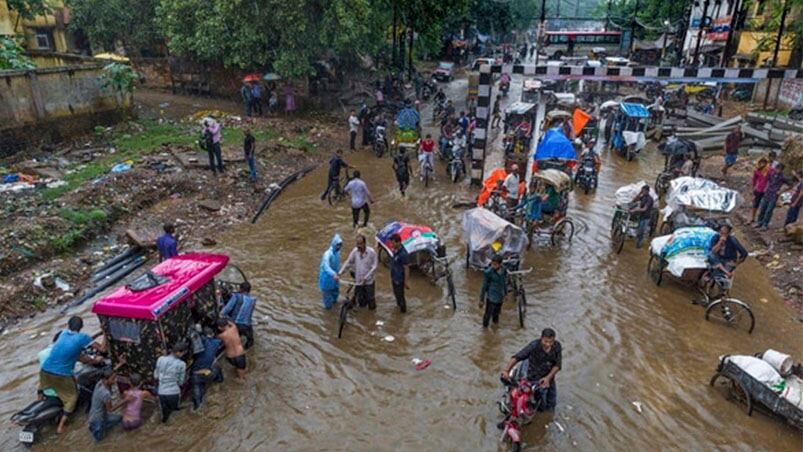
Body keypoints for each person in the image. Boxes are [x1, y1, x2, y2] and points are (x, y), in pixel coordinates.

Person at [39, 316, 100, 434]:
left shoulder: (63, 333)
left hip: (45, 370)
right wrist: (106, 338)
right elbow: (100, 348)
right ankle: (61, 426)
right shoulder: (82, 337)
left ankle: (39, 402)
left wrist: (98, 333)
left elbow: (83, 343)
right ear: (81, 327)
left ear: (68, 325)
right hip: (61, 374)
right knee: (72, 397)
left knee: (41, 387)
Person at [502, 328, 562, 411]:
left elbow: (557, 365)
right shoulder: (534, 346)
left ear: (554, 340)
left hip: (549, 377)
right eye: (545, 341)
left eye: (550, 342)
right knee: (541, 405)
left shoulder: (557, 346)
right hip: (534, 378)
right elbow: (517, 357)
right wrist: (506, 370)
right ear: (541, 338)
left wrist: (548, 378)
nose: (548, 344)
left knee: (552, 403)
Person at [339, 234, 378, 310]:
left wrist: (366, 278)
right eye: (357, 243)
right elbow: (348, 262)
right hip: (358, 281)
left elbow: (374, 267)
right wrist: (340, 273)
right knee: (360, 300)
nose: (358, 246)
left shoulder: (371, 253)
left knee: (371, 300)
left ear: (364, 243)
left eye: (360, 244)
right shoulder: (355, 251)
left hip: (368, 282)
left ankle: (372, 315)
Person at [154, 341, 188, 423]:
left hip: (161, 392)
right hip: (173, 393)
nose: (183, 355)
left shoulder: (160, 359)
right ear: (179, 352)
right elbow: (181, 382)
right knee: (175, 414)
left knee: (165, 416)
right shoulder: (182, 364)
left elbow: (156, 376)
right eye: (183, 353)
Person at [190, 327, 223, 410]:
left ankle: (198, 406)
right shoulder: (216, 342)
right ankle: (219, 381)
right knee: (216, 365)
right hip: (211, 372)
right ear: (213, 334)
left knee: (196, 386)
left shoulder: (201, 343)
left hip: (198, 374)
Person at [221, 281, 257, 349]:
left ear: (241, 289)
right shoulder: (253, 300)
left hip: (236, 323)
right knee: (250, 341)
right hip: (247, 325)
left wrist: (220, 314)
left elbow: (227, 309)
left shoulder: (236, 296)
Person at [87, 368, 120, 442]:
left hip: (99, 416)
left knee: (119, 419)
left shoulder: (100, 382)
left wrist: (120, 364)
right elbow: (110, 409)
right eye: (113, 379)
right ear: (105, 380)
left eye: (115, 378)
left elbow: (108, 372)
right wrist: (125, 400)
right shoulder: (105, 393)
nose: (115, 380)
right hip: (97, 422)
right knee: (100, 442)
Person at [755, 163, 790, 230]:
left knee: (769, 210)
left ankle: (765, 224)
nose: (778, 171)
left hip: (774, 195)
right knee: (763, 208)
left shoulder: (782, 177)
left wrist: (781, 190)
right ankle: (759, 222)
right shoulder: (771, 174)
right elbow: (765, 179)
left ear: (782, 170)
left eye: (780, 170)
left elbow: (790, 185)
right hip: (767, 193)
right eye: (777, 169)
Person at [479, 254, 507, 328]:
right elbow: (484, 286)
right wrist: (481, 300)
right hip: (491, 297)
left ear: (500, 264)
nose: (493, 266)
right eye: (492, 264)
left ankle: (495, 327)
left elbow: (504, 282)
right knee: (487, 314)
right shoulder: (488, 272)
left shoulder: (503, 269)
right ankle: (485, 329)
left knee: (496, 314)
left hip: (500, 296)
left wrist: (505, 294)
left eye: (495, 264)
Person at [318, 233, 343, 309]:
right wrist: (333, 274)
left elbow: (337, 264)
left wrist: (338, 273)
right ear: (334, 244)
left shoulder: (338, 253)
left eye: (340, 245)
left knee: (335, 294)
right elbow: (326, 266)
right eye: (338, 245)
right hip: (327, 280)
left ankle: (334, 309)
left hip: (335, 278)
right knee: (328, 302)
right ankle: (329, 314)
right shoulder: (327, 254)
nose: (339, 247)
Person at [389, 234, 410, 313]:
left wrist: (406, 282)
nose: (392, 244)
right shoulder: (395, 250)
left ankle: (403, 312)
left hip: (399, 279)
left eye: (393, 243)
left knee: (400, 296)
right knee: (396, 294)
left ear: (398, 242)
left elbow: (406, 268)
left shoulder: (403, 254)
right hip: (394, 277)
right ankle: (398, 307)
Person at [751, 158, 770, 223]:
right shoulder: (757, 171)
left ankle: (761, 219)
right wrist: (754, 188)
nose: (762, 164)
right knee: (756, 204)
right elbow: (754, 180)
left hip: (766, 190)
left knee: (764, 205)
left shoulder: (768, 170)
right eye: (761, 162)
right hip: (758, 189)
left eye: (764, 163)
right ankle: (753, 218)